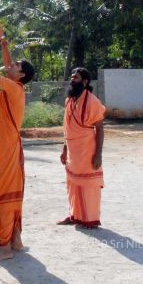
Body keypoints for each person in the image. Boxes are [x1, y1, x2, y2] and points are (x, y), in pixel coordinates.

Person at [0, 28, 34, 262]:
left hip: (6, 147)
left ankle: (4, 248)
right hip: (7, 144)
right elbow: (8, 63)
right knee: (5, 188)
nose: (10, 65)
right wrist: (3, 41)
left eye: (15, 65)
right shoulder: (15, 85)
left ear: (20, 75)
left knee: (0, 189)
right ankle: (13, 237)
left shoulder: (12, 87)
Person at [58, 67, 105, 229]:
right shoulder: (69, 101)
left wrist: (98, 154)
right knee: (72, 184)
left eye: (76, 77)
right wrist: (64, 149)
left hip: (87, 149)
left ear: (85, 82)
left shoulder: (93, 102)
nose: (72, 79)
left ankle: (90, 219)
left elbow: (100, 129)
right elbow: (67, 127)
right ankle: (75, 215)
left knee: (88, 184)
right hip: (72, 151)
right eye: (72, 77)